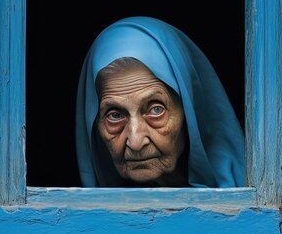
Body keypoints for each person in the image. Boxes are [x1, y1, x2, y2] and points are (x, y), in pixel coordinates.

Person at [75, 16, 245, 188]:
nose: (135, 142)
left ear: (189, 110)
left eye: (156, 110)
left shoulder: (247, 184)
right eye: (115, 115)